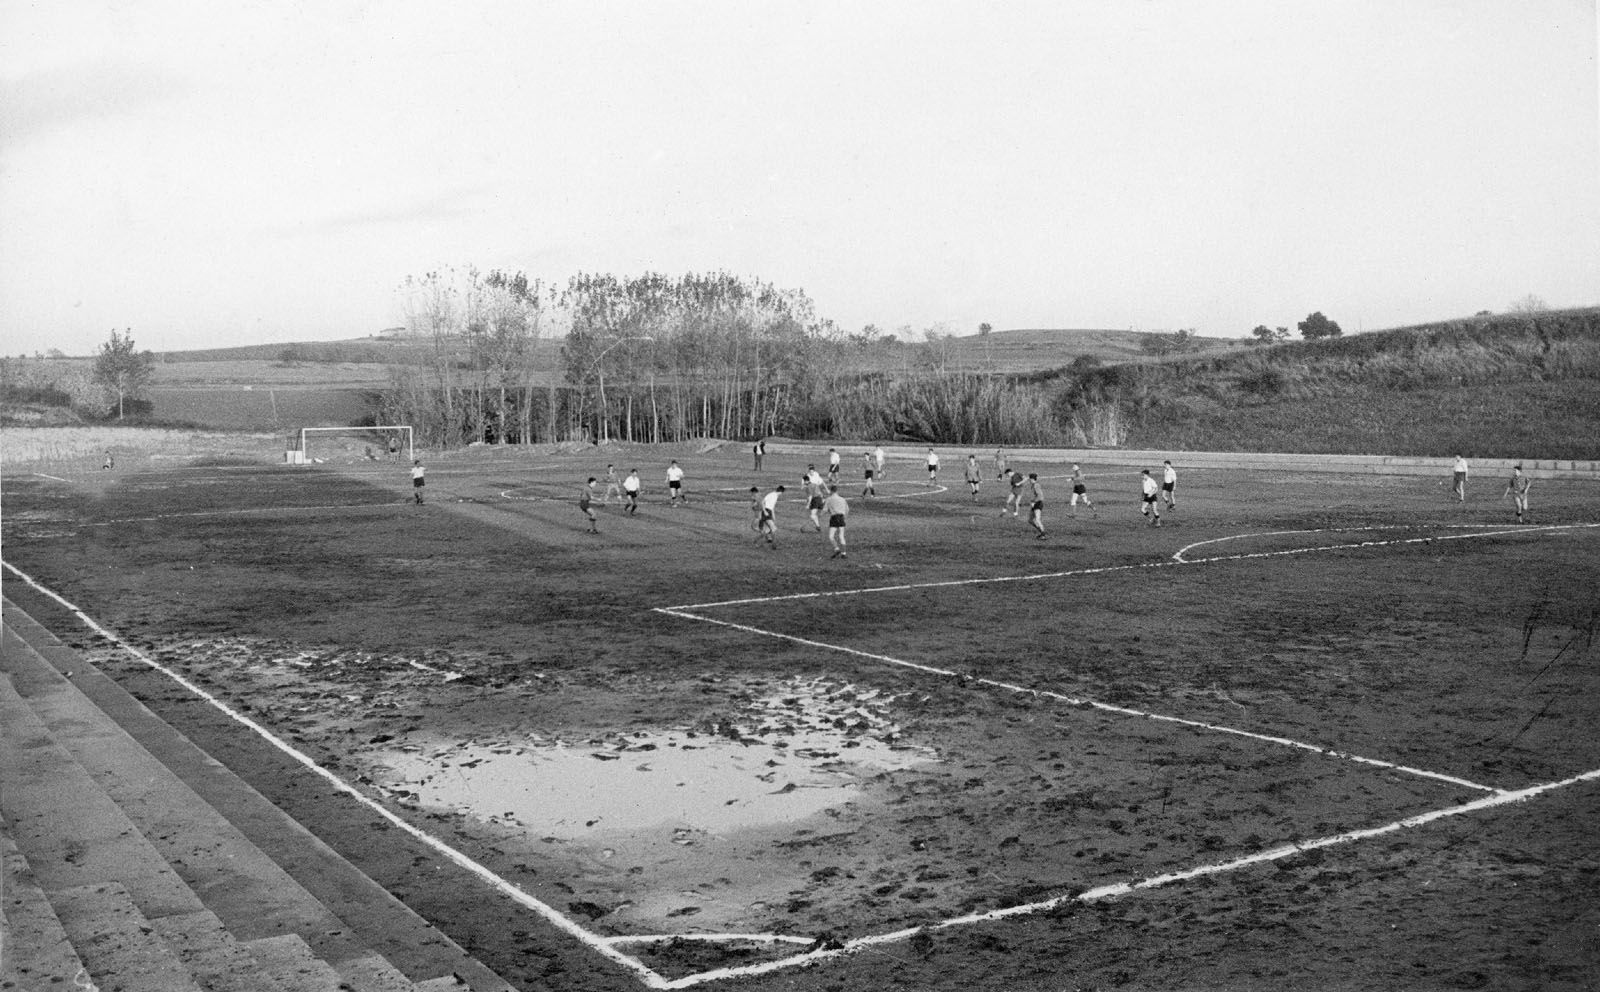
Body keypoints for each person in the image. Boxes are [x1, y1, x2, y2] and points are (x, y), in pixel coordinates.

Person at [823, 484, 850, 558]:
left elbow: (825, 510)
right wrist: (844, 517)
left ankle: (837, 549)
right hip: (841, 517)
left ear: (831, 491)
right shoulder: (842, 499)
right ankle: (844, 554)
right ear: (837, 491)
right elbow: (847, 510)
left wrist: (819, 515)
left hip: (834, 518)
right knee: (841, 536)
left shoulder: (829, 499)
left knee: (831, 536)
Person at [805, 466, 827, 531]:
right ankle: (818, 526)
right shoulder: (814, 485)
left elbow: (810, 496)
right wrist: (823, 498)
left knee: (812, 515)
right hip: (819, 499)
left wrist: (808, 504)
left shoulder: (809, 486)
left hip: (815, 500)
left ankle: (817, 525)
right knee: (820, 512)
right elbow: (819, 490)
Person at [1026, 473, 1046, 539]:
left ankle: (1043, 535)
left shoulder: (1036, 485)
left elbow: (1040, 495)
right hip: (1035, 503)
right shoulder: (1033, 485)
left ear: (1032, 479)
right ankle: (1041, 532)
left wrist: (1034, 502)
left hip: (1038, 503)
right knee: (1030, 520)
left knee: (1037, 519)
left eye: (1029, 479)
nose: (1029, 480)